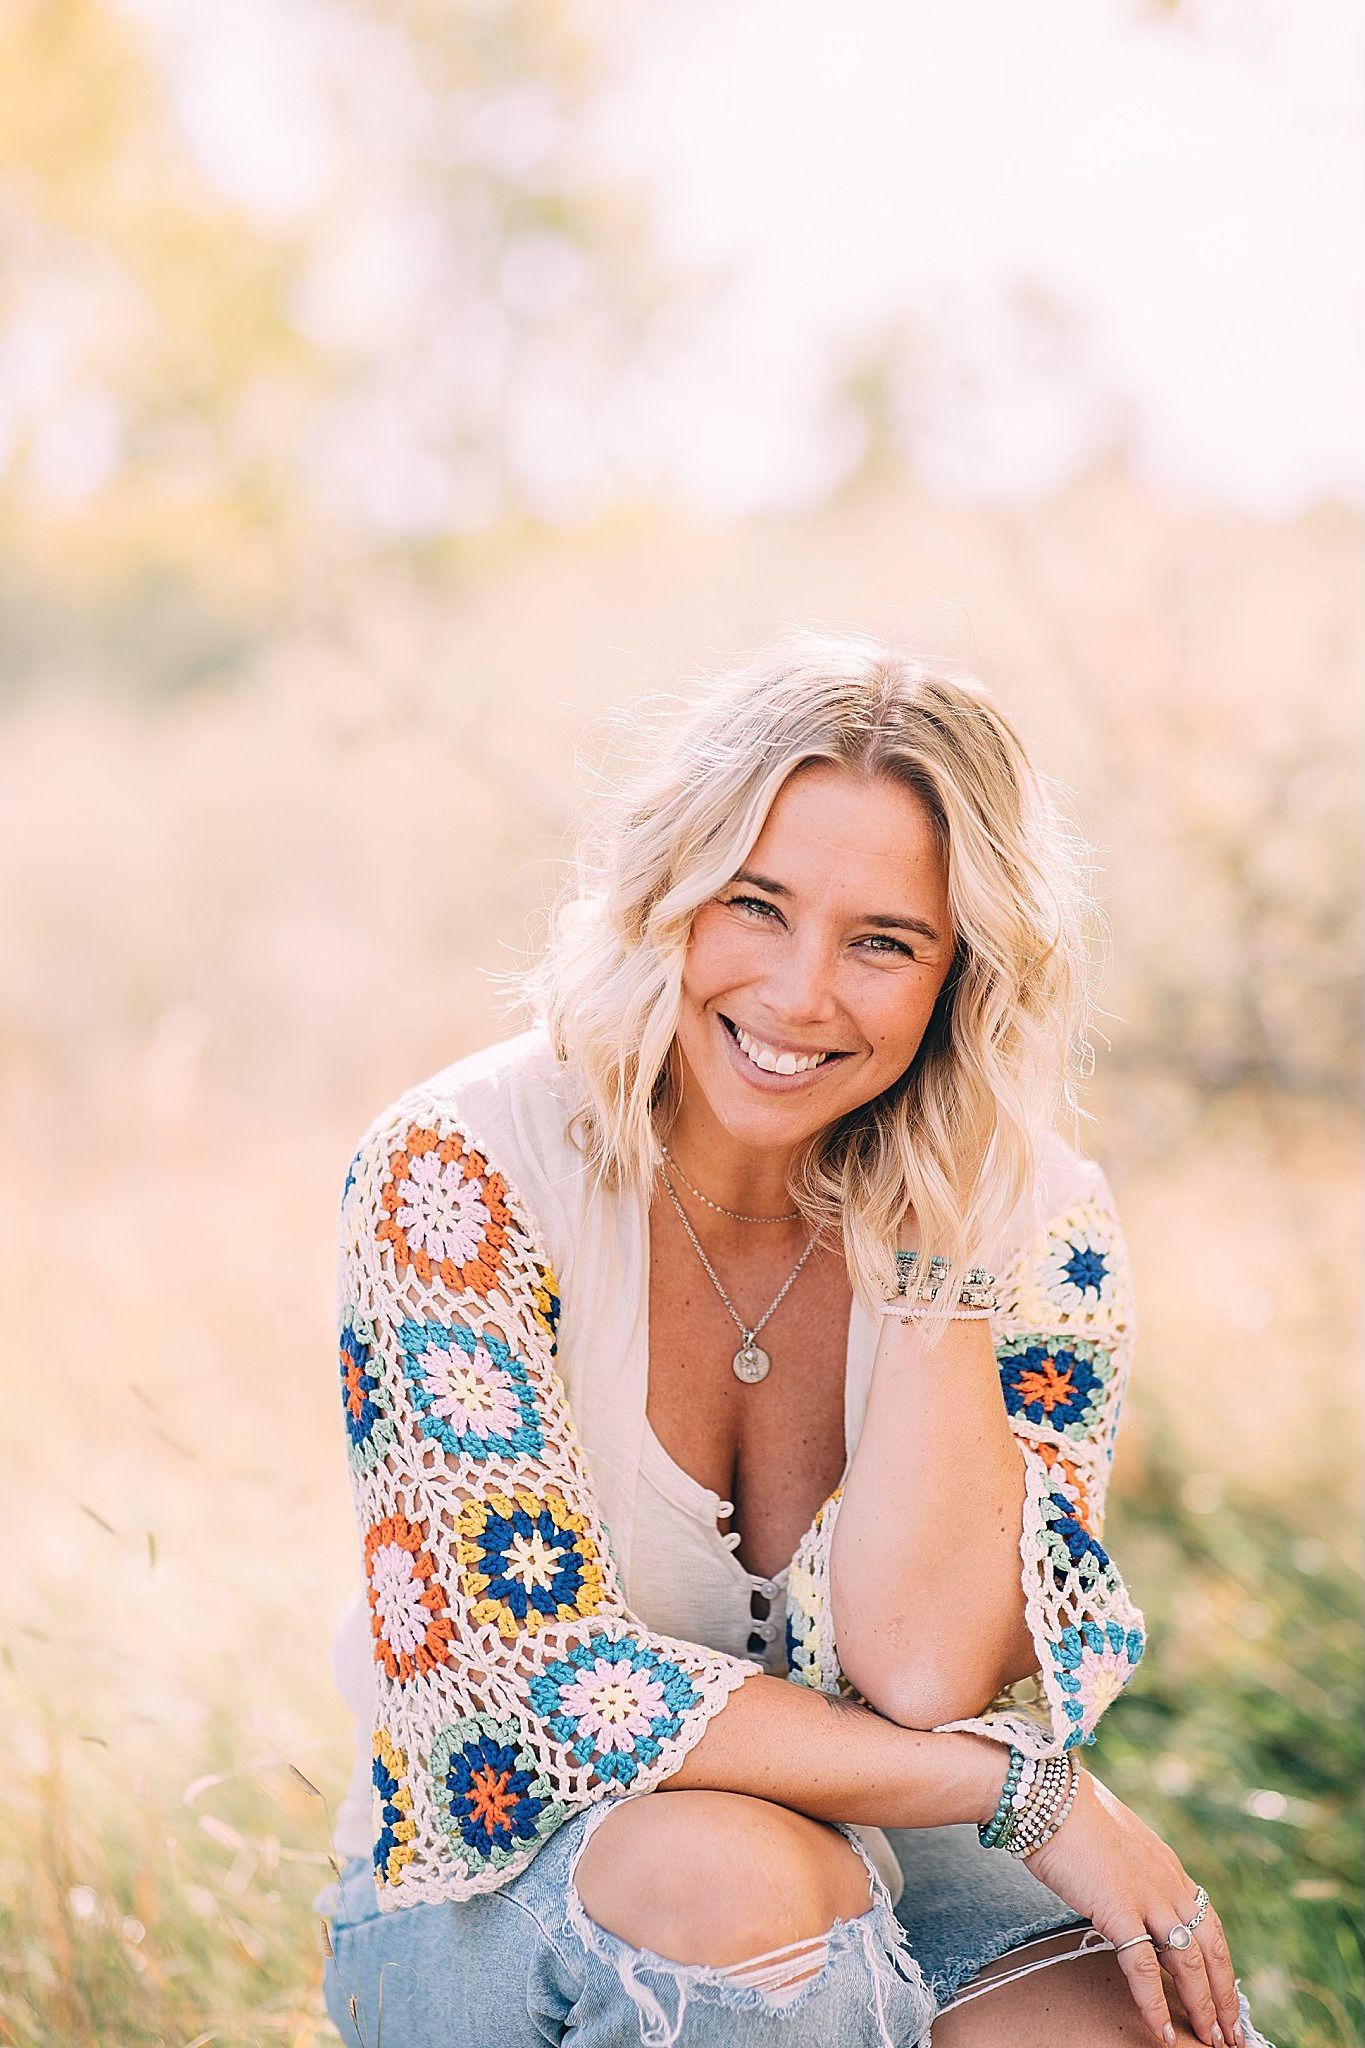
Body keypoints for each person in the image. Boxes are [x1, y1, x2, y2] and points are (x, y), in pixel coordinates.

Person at [313, 633, 1275, 2048]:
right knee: (750, 1889)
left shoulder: (1037, 1222)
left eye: (884, 942)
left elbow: (928, 1672)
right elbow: (553, 1682)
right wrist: (1033, 1792)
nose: (800, 993)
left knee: (1124, 2030)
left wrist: (937, 1242)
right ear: (670, 890)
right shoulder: (459, 1172)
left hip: (896, 1860)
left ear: (965, 973)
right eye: (755, 907)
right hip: (501, 1879)